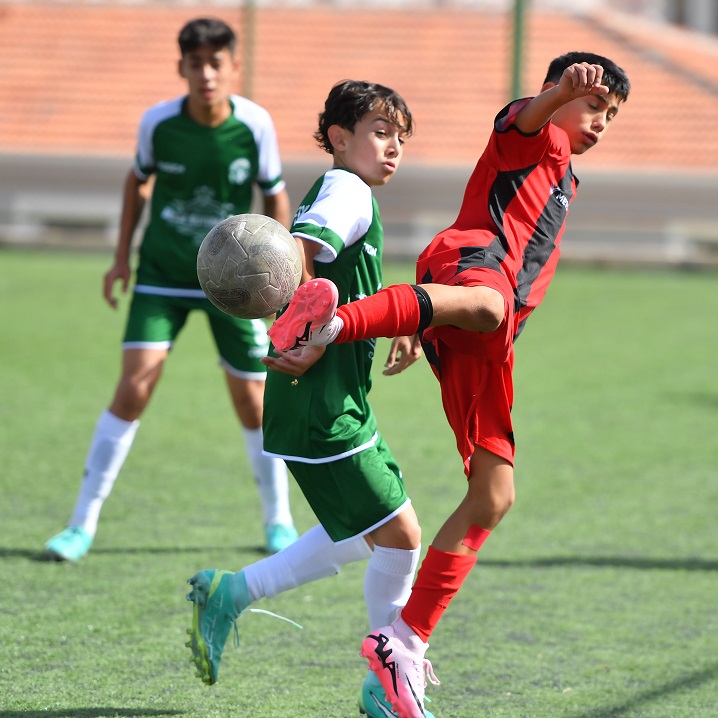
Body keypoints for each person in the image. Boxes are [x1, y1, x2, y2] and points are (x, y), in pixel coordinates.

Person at [269, 52, 631, 718]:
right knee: (489, 306)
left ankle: (401, 644)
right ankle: (328, 323)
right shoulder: (538, 137)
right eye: (596, 106)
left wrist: (421, 319)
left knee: (494, 495)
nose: (601, 121)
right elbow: (521, 118)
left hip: (481, 329)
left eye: (611, 114)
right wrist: (557, 95)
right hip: (474, 268)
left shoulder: (565, 171)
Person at [184, 79, 437, 718]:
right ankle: (388, 684)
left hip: (327, 398)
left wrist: (396, 319)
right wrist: (305, 335)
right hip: (321, 404)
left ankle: (232, 592)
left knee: (365, 534)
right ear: (338, 137)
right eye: (381, 133)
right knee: (402, 538)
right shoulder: (346, 189)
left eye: (401, 138)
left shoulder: (344, 191)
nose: (393, 149)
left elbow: (332, 279)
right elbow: (295, 260)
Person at [44, 17, 298, 562]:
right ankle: (80, 524)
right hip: (161, 275)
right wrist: (120, 258)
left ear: (234, 66)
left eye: (216, 63)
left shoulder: (254, 125)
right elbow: (137, 181)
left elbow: (275, 197)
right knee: (134, 388)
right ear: (181, 67)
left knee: (253, 401)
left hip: (234, 285)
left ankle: (279, 520)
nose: (206, 74)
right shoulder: (158, 123)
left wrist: (285, 276)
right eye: (195, 63)